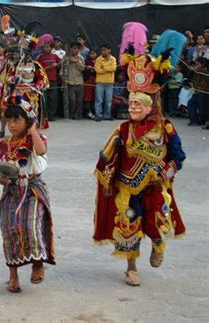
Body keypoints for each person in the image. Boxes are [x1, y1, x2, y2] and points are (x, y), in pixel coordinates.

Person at [94, 26, 187, 287]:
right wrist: (107, 180)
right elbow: (107, 156)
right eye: (131, 102)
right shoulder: (123, 129)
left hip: (157, 184)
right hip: (128, 186)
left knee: (158, 223)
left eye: (138, 103)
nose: (133, 107)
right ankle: (131, 267)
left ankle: (158, 245)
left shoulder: (165, 127)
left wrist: (166, 171)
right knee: (128, 223)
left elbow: (178, 156)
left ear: (151, 104)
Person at [0, 94, 54, 293]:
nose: (12, 124)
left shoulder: (35, 140)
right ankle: (13, 276)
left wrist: (33, 129)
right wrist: (0, 178)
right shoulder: (1, 146)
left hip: (32, 189)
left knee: (30, 225)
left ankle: (37, 263)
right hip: (10, 191)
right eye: (9, 120)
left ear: (27, 120)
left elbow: (42, 151)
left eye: (17, 120)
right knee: (9, 230)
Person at [61, 42, 85, 119]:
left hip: (79, 81)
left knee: (79, 100)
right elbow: (62, 67)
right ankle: (71, 114)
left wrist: (76, 62)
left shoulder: (81, 58)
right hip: (70, 81)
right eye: (72, 48)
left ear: (78, 49)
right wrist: (62, 75)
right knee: (72, 100)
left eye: (75, 48)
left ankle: (78, 114)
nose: (73, 50)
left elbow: (82, 68)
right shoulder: (66, 57)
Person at [38, 42, 61, 121]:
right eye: (45, 47)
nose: (46, 49)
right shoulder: (41, 57)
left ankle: (52, 115)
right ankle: (45, 115)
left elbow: (61, 63)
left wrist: (58, 65)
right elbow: (39, 69)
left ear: (51, 48)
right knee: (45, 98)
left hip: (53, 80)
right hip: (44, 80)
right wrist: (50, 66)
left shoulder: (55, 56)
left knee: (53, 98)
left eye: (48, 47)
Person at [94, 44, 117, 121]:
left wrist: (104, 67)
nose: (102, 51)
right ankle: (98, 115)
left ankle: (107, 115)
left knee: (108, 100)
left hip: (109, 83)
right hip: (100, 82)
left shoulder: (113, 59)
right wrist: (108, 68)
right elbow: (97, 70)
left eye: (104, 50)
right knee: (99, 100)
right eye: (102, 50)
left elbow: (113, 68)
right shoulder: (98, 59)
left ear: (109, 50)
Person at [187, 57, 209, 126]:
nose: (196, 66)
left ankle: (201, 121)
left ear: (203, 64)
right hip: (196, 91)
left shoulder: (206, 71)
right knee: (190, 104)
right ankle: (193, 120)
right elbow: (192, 77)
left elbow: (201, 72)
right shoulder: (196, 71)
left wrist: (194, 69)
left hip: (204, 92)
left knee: (202, 107)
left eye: (197, 64)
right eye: (195, 64)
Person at [83, 48, 97, 119]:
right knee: (87, 97)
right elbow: (83, 71)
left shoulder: (98, 61)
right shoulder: (86, 61)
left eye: (93, 53)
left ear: (96, 54)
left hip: (96, 81)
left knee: (94, 97)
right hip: (88, 81)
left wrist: (95, 68)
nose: (92, 55)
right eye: (90, 53)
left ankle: (94, 112)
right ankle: (87, 112)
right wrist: (87, 69)